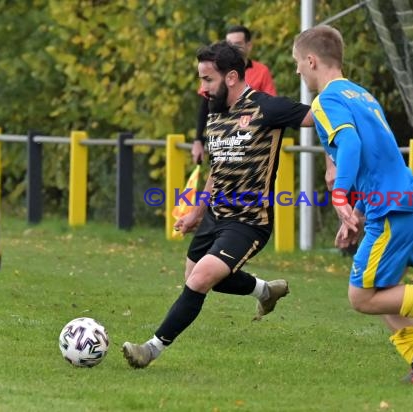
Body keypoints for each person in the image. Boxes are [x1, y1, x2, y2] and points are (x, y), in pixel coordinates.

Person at [292, 25, 413, 384]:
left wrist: (340, 195)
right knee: (385, 292)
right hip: (409, 202)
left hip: (396, 209)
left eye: (299, 64)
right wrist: (357, 214)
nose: (299, 71)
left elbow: (350, 145)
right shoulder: (361, 94)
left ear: (311, 60)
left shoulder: (326, 100)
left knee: (361, 297)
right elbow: (380, 159)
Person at [122, 41, 313, 369]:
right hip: (215, 216)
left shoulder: (266, 108)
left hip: (249, 220)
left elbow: (317, 117)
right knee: (196, 277)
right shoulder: (216, 113)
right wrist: (197, 211)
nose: (202, 88)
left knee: (199, 280)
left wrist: (343, 99)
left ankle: (150, 350)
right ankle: (265, 291)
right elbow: (218, 167)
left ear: (232, 77)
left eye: (207, 79)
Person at [191, 25, 277, 164]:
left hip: (253, 143)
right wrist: (198, 140)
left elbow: (272, 106)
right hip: (223, 140)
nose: (232, 48)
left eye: (237, 44)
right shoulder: (216, 70)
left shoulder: (261, 71)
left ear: (249, 46)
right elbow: (205, 106)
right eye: (229, 44)